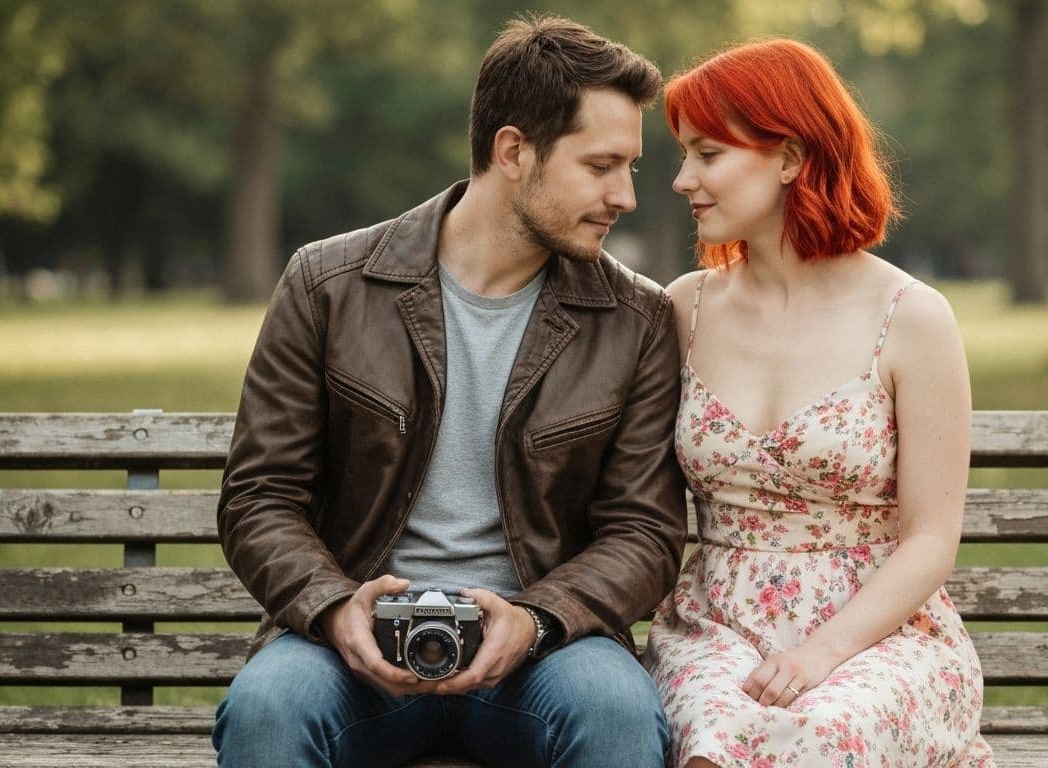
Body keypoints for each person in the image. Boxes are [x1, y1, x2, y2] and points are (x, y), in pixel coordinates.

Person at [213, 16, 687, 768]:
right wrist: (337, 611)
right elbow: (260, 496)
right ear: (513, 152)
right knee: (269, 709)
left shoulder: (637, 320)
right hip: (350, 655)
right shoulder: (327, 285)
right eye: (601, 165)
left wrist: (535, 620)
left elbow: (644, 532)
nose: (625, 195)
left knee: (616, 713)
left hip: (546, 655)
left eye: (629, 166)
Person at [642, 39, 996, 767]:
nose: (683, 180)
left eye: (708, 154)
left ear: (791, 159)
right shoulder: (685, 310)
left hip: (879, 634)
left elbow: (931, 537)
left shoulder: (911, 317)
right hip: (716, 627)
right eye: (684, 155)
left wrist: (820, 653)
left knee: (824, 734)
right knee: (711, 741)